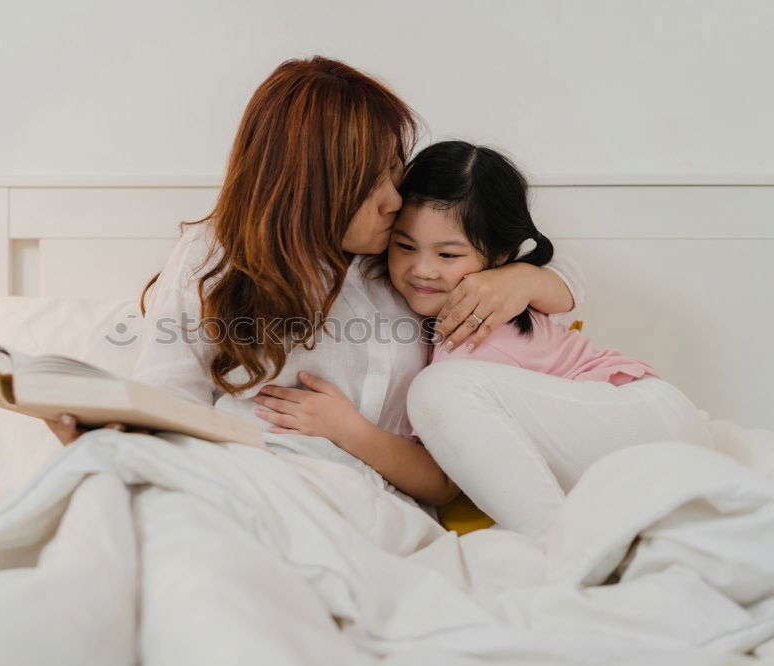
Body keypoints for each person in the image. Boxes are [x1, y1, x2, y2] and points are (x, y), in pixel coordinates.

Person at [45, 58, 584, 513]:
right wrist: (116, 440)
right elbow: (170, 393)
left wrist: (524, 275)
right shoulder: (215, 254)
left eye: (395, 173)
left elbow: (565, 286)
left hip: (359, 499)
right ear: (314, 183)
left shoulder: (405, 259)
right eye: (371, 180)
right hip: (230, 480)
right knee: (114, 512)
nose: (393, 200)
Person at [260, 139, 714, 538]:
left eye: (448, 254)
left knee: (437, 389)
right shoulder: (444, 314)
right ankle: (564, 542)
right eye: (404, 246)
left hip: (642, 418)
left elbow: (440, 482)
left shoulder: (482, 324)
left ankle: (554, 544)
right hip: (618, 439)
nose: (423, 269)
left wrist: (349, 430)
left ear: (496, 255)